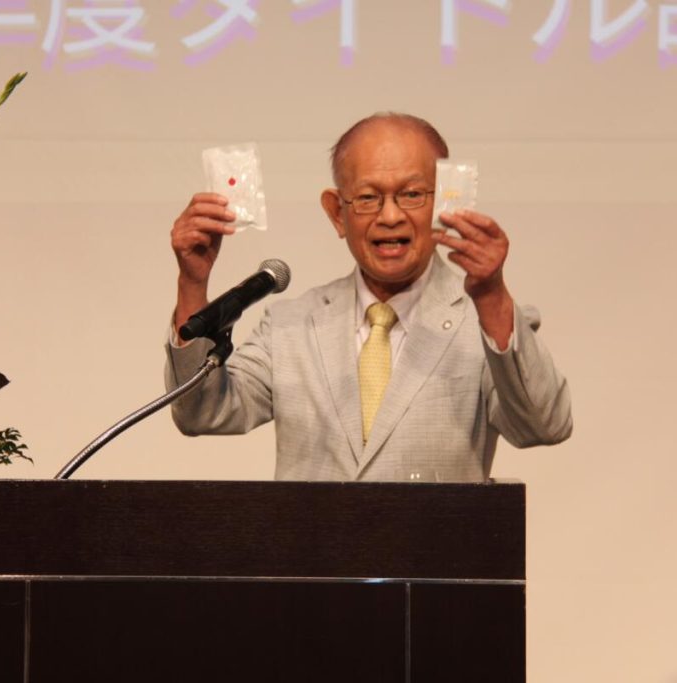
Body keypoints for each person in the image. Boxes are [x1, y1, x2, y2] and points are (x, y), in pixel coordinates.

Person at [166, 112, 572, 482]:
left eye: (412, 194)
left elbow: (543, 425)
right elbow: (200, 411)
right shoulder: (291, 325)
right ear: (337, 213)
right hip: (311, 544)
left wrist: (492, 296)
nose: (390, 216)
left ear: (446, 202)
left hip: (435, 544)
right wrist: (192, 283)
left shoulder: (486, 323)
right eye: (367, 198)